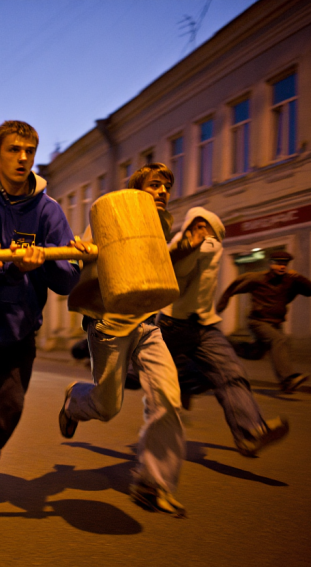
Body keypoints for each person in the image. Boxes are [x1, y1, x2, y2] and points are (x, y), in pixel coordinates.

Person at [0, 120, 81, 509]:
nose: (23, 158)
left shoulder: (49, 211)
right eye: (13, 150)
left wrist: (61, 259)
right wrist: (6, 261)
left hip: (21, 330)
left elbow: (65, 284)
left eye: (29, 151)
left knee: (8, 410)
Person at [60, 163, 187, 517]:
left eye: (167, 186)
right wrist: (82, 251)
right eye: (156, 185)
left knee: (168, 397)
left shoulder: (161, 224)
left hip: (148, 324)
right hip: (109, 324)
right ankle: (74, 401)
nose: (163, 191)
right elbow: (83, 249)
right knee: (107, 406)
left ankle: (153, 484)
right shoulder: (112, 213)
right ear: (137, 189)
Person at [157, 208, 289, 456]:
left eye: (206, 229)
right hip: (171, 326)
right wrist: (187, 246)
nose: (203, 234)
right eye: (198, 226)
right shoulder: (184, 244)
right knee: (134, 376)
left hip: (204, 326)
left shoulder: (211, 245)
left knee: (232, 373)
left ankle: (250, 432)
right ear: (190, 227)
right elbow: (177, 263)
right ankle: (87, 394)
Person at [216, 250, 311, 393]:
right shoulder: (257, 278)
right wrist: (218, 309)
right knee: (279, 340)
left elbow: (310, 291)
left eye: (285, 264)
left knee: (255, 353)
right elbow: (233, 288)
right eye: (278, 264)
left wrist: (299, 277)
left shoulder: (290, 280)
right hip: (258, 321)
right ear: (270, 264)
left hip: (276, 323)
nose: (282, 267)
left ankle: (225, 343)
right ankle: (287, 379)